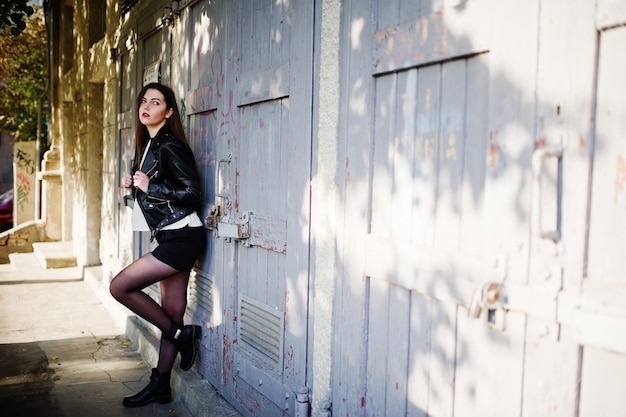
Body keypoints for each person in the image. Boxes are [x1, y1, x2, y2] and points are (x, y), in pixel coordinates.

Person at [109, 82, 206, 408]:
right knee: (172, 311)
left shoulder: (170, 146)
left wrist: (152, 185)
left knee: (120, 287)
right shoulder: (147, 147)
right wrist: (135, 187)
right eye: (144, 100)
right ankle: (160, 384)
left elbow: (192, 194)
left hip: (183, 237)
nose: (147, 106)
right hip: (170, 235)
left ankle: (182, 336)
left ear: (168, 111)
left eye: (156, 101)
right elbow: (154, 197)